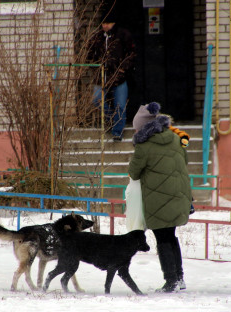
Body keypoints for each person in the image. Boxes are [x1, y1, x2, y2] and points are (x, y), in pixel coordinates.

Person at [128, 102, 192, 292]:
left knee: (163, 238)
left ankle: (171, 281)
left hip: (158, 199)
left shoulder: (144, 146)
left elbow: (134, 173)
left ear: (141, 128)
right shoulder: (174, 137)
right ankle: (179, 278)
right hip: (179, 195)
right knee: (171, 237)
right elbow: (185, 161)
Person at [87, 10, 136, 142]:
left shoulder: (123, 35)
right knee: (97, 99)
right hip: (101, 76)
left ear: (114, 23)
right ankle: (112, 120)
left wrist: (122, 70)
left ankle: (117, 132)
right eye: (103, 23)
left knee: (120, 105)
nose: (105, 26)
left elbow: (131, 55)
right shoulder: (97, 37)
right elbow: (89, 55)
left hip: (119, 78)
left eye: (108, 23)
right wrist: (95, 67)